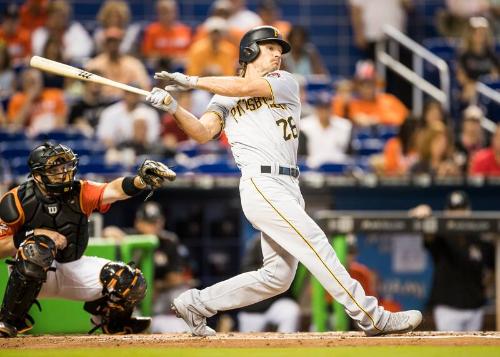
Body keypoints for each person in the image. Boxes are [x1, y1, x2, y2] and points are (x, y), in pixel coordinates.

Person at [145, 25, 422, 336]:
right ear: (249, 51)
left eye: (280, 49)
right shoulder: (224, 97)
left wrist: (192, 81)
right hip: (261, 183)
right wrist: (174, 108)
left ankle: (197, 303)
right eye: (270, 47)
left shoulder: (284, 81)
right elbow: (202, 132)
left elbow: (243, 88)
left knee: (277, 277)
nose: (278, 53)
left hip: (289, 185)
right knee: (316, 243)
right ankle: (372, 317)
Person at [0, 142, 176, 337]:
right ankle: (8, 321)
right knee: (37, 248)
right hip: (32, 274)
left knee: (130, 279)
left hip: (73, 266)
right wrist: (32, 234)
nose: (63, 172)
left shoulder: (80, 190)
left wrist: (140, 181)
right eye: (55, 169)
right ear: (37, 175)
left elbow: (113, 190)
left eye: (65, 166)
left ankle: (114, 323)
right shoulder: (17, 200)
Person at [103, 201, 194, 333]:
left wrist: (156, 286)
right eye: (148, 222)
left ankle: (191, 327)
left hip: (160, 294)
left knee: (183, 293)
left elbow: (176, 277)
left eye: (156, 222)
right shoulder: (132, 237)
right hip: (135, 297)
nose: (153, 227)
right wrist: (127, 241)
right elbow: (108, 231)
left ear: (161, 222)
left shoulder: (168, 241)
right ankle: (136, 324)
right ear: (138, 222)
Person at [410, 191, 494, 331]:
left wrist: (483, 290)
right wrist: (426, 216)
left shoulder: (480, 239)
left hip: (475, 307)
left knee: (473, 351)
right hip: (447, 308)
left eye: (461, 210)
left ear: (468, 211)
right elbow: (430, 236)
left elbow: (492, 269)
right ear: (447, 212)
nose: (458, 215)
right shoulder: (442, 236)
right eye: (454, 210)